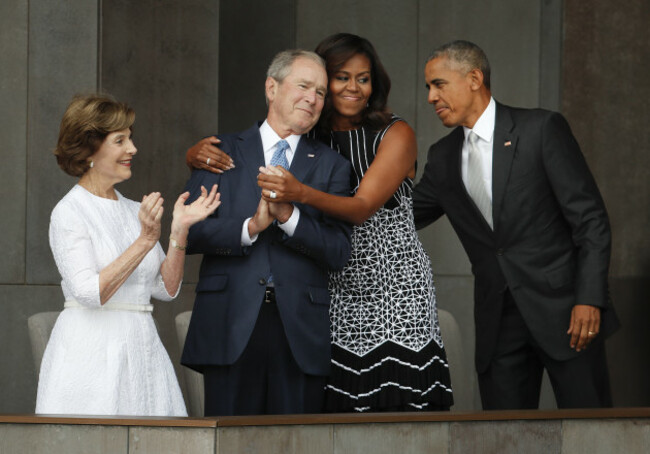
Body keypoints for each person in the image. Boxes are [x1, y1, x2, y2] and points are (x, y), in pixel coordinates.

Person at [187, 34, 454, 412]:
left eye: (363, 78)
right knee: (341, 403)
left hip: (391, 282)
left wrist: (294, 200)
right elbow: (199, 217)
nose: (352, 87)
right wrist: (195, 156)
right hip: (333, 295)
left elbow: (360, 208)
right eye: (339, 78)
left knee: (394, 401)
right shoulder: (304, 132)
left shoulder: (389, 135)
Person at [412, 40, 620, 410]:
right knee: (503, 438)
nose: (430, 96)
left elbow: (590, 220)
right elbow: (403, 217)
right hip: (498, 323)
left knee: (591, 432)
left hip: (567, 312)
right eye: (429, 87)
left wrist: (590, 298)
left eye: (439, 84)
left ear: (474, 78)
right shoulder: (442, 156)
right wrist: (318, 208)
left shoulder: (541, 129)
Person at [180, 50, 352, 416]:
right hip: (229, 322)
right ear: (271, 88)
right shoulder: (218, 152)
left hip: (300, 330)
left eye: (321, 92)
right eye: (304, 85)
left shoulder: (333, 165)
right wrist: (250, 227)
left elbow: (338, 252)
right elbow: (190, 235)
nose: (313, 98)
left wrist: (289, 216)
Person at [36, 94, 220, 416]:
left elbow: (166, 289)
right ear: (90, 148)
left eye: (130, 139)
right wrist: (146, 239)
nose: (132, 149)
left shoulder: (134, 209)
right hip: (92, 355)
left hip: (143, 347)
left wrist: (178, 231)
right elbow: (89, 293)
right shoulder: (70, 212)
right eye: (120, 140)